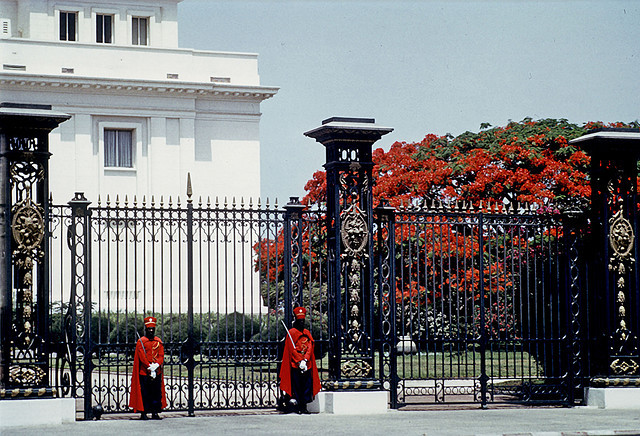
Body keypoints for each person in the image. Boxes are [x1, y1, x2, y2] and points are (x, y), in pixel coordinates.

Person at [279, 306, 321, 414]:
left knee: (306, 386)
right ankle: (297, 406)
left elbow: (310, 346)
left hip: (307, 364)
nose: (301, 323)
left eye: (303, 321)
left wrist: (305, 360)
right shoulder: (292, 332)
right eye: (300, 321)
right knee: (297, 386)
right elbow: (291, 349)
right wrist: (299, 361)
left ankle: (304, 406)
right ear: (296, 321)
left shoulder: (307, 332)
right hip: (296, 364)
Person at [129, 316, 167, 420]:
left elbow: (161, 355)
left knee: (156, 392)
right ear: (146, 330)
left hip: (156, 371)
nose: (150, 331)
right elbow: (141, 356)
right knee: (144, 393)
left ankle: (155, 412)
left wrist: (156, 365)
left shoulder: (158, 341)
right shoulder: (141, 341)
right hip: (144, 372)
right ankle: (143, 413)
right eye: (149, 329)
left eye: (152, 329)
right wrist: (149, 366)